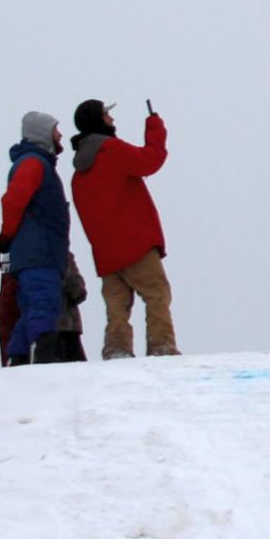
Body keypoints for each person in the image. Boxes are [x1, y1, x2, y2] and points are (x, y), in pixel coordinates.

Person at [70, 98, 178, 359]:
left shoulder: (78, 174)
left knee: (117, 306)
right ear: (98, 120)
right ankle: (161, 347)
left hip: (106, 252)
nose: (112, 119)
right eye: (107, 114)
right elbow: (149, 161)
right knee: (157, 294)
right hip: (135, 243)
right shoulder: (111, 150)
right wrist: (155, 129)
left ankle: (117, 350)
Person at [0, 111, 72, 365]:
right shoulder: (34, 162)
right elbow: (13, 200)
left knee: (31, 307)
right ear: (43, 133)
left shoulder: (36, 163)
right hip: (39, 253)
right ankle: (44, 356)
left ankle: (18, 359)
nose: (60, 134)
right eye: (56, 129)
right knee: (43, 301)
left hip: (39, 252)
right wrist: (6, 236)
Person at [0, 252, 90, 364]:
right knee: (73, 374)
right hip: (62, 326)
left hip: (26, 332)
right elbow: (76, 289)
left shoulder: (13, 259)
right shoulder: (54, 248)